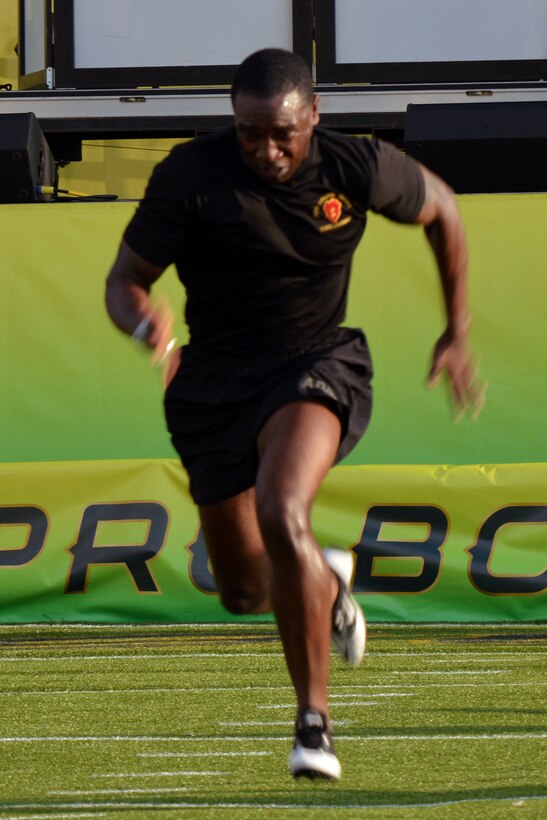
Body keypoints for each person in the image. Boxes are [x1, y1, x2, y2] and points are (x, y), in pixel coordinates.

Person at [105, 48, 484, 781]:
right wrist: (143, 322)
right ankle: (327, 583)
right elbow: (125, 282)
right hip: (212, 384)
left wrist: (456, 328)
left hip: (315, 363)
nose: (266, 150)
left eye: (282, 133)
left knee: (284, 509)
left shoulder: (354, 167)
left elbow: (444, 212)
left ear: (311, 117)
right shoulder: (189, 176)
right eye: (249, 133)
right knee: (243, 590)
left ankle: (314, 725)